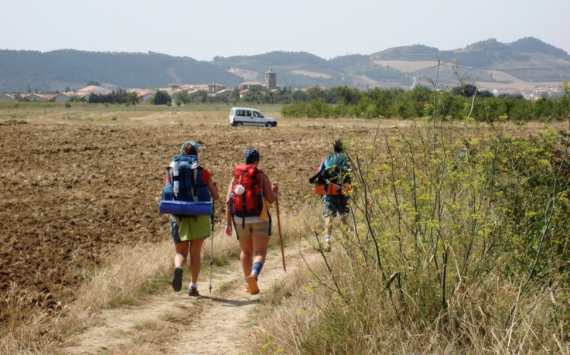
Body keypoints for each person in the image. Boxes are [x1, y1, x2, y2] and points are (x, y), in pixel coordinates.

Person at [225, 149, 278, 295]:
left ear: (244, 160)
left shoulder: (236, 177)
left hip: (239, 219)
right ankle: (254, 275)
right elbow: (270, 199)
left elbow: (228, 200)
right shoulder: (261, 176)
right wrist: (275, 192)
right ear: (257, 161)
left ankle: (247, 283)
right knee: (259, 252)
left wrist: (228, 223)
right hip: (259, 218)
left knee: (245, 251)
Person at [169, 141, 219, 297]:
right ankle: (193, 286)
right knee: (195, 253)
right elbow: (216, 196)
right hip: (199, 215)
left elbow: (170, 192)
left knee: (181, 252)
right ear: (196, 154)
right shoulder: (203, 172)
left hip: (178, 216)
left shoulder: (172, 171)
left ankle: (178, 267)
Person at [314, 140, 352, 252]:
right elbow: (351, 173)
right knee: (344, 218)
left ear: (334, 148)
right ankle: (346, 244)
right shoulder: (345, 159)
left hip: (329, 191)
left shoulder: (327, 159)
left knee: (328, 217)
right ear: (344, 149)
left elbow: (318, 172)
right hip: (342, 192)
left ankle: (327, 241)